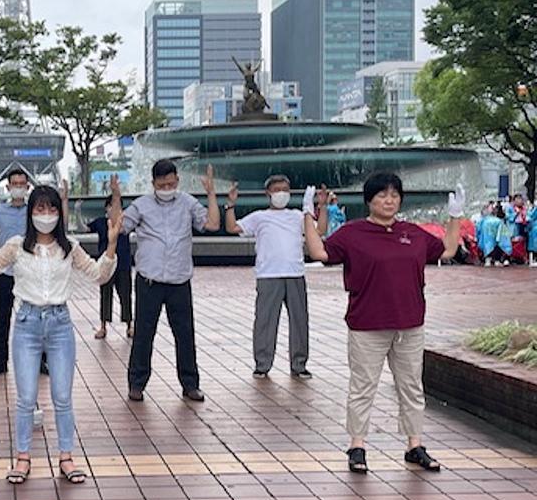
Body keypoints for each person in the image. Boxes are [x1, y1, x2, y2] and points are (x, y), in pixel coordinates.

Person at [303, 172, 464, 473]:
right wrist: (307, 218)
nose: (389, 201)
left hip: (409, 323)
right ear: (369, 200)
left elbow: (448, 249)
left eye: (394, 195)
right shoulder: (353, 233)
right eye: (382, 195)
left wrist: (455, 217)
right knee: (363, 387)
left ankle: (414, 445)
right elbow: (319, 252)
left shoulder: (412, 233)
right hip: (367, 324)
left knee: (411, 387)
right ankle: (357, 446)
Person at [0, 185, 119, 485]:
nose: (45, 215)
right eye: (40, 208)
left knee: (62, 396)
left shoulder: (69, 247)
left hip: (60, 324)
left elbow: (99, 274)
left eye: (51, 208)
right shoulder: (17, 246)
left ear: (59, 213)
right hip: (27, 324)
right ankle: (23, 458)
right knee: (25, 398)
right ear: (31, 212)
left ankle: (66, 457)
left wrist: (111, 244)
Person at [111, 159, 220, 402]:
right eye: (162, 185)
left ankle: (190, 384)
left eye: (171, 184)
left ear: (177, 180)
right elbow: (119, 226)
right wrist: (116, 197)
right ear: (153, 184)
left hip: (179, 280)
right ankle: (136, 384)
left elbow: (212, 224)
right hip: (149, 280)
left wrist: (211, 193)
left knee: (185, 334)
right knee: (143, 333)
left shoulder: (188, 203)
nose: (167, 189)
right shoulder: (142, 205)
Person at [225, 174, 314, 379]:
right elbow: (233, 228)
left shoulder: (297, 216)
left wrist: (322, 207)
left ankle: (299, 364)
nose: (281, 194)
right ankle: (262, 364)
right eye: (276, 190)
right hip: (268, 275)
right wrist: (230, 205)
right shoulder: (259, 217)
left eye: (285, 190)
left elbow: (320, 230)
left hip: (295, 273)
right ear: (268, 193)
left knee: (300, 320)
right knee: (265, 320)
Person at [0, 168, 55, 378]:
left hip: (30, 272)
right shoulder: (0, 211)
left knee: (37, 317)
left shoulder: (34, 212)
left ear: (28, 187)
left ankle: (41, 360)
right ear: (8, 187)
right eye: (15, 184)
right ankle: (0, 361)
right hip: (5, 273)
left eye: (22, 184)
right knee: (2, 318)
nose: (19, 188)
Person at [79, 197, 133, 340]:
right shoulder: (101, 222)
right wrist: (77, 211)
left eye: (117, 207)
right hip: (106, 266)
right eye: (110, 206)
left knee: (125, 295)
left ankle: (129, 325)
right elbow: (84, 229)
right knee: (105, 295)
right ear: (106, 208)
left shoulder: (125, 223)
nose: (113, 210)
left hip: (123, 264)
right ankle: (103, 326)